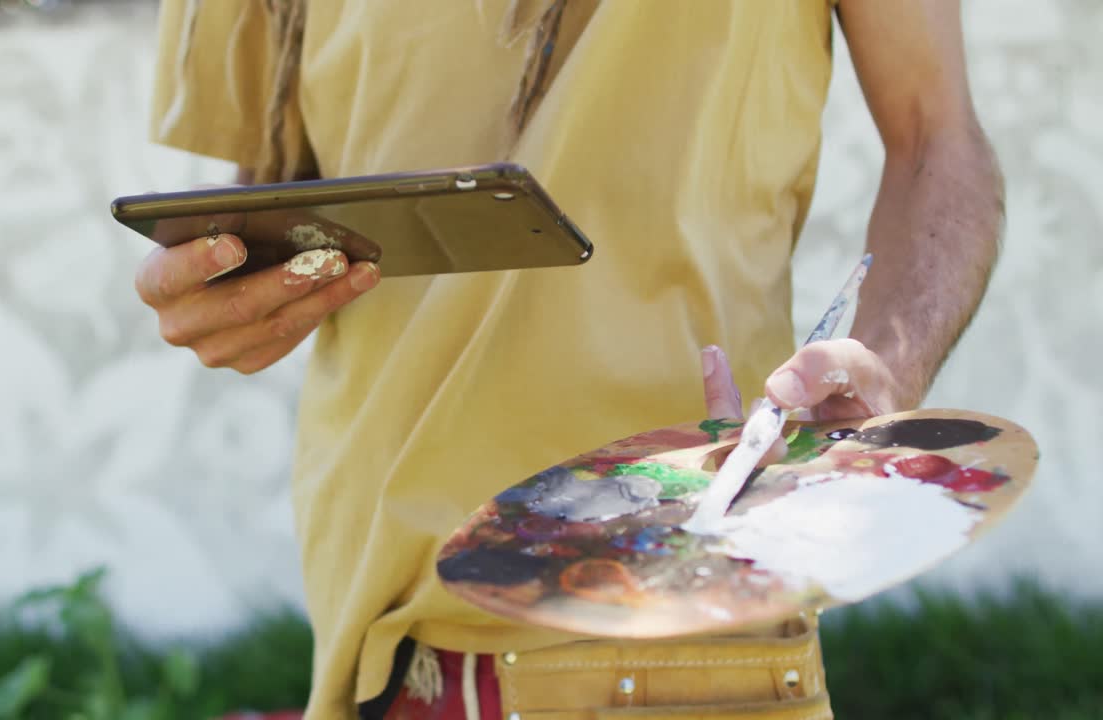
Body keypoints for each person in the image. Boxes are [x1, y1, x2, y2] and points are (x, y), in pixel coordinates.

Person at [135, 1, 1003, 718]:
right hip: (384, 648)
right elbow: (276, 207)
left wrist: (889, 365)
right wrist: (226, 295)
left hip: (685, 625)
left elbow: (938, 138)